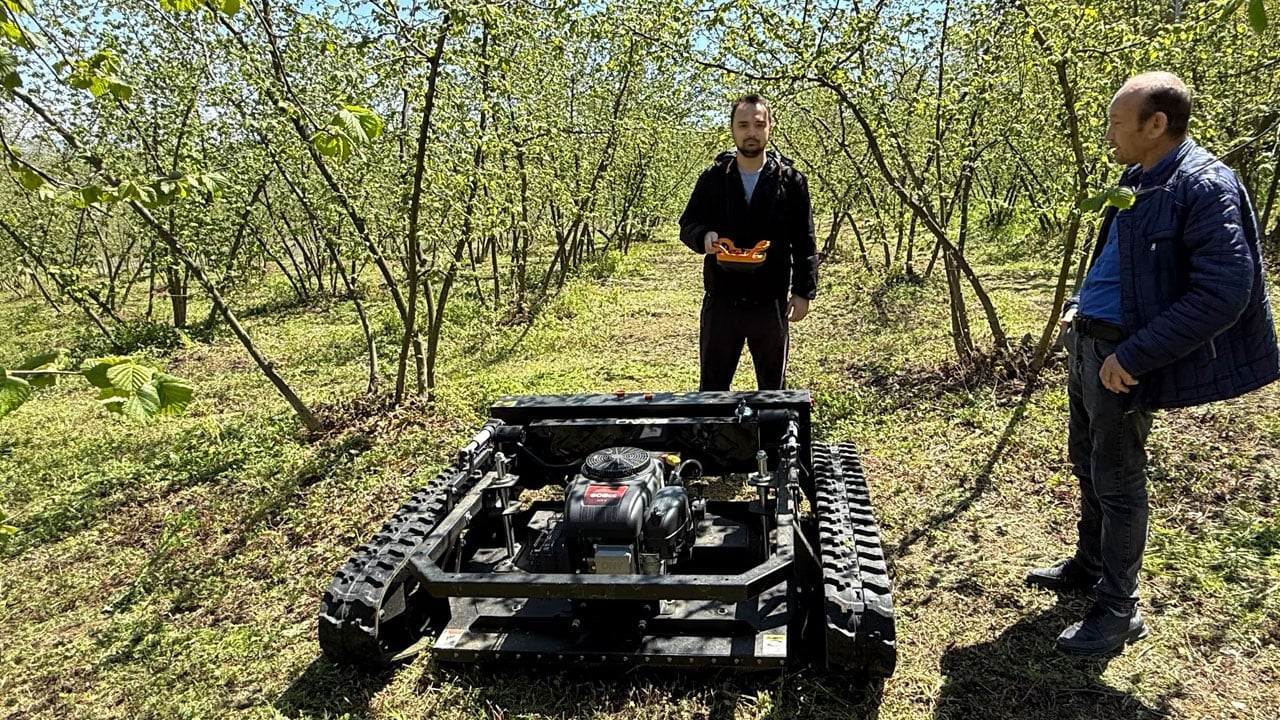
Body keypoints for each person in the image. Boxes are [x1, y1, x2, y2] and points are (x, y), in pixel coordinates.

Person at [1026, 71, 1279, 655]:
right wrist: (1080, 307)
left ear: (1156, 123)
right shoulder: (1137, 179)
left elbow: (1223, 292)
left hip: (1123, 355)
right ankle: (1088, 566)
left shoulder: (1203, 186)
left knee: (1117, 477)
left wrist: (1133, 355)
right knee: (1088, 461)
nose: (1108, 133)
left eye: (1118, 122)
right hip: (1091, 343)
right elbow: (1120, 261)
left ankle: (1119, 610)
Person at [678, 93, 819, 391]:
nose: (751, 132)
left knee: (772, 390)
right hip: (722, 300)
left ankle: (770, 439)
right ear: (732, 128)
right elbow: (687, 224)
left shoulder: (790, 181)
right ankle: (713, 438)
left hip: (770, 302)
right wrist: (703, 237)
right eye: (743, 125)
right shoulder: (714, 178)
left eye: (758, 124)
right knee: (713, 389)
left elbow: (804, 240)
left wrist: (804, 291)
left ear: (769, 127)